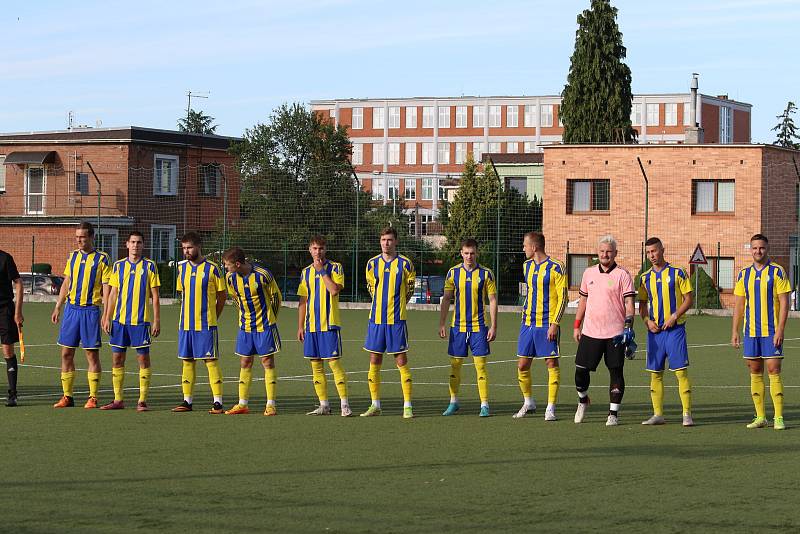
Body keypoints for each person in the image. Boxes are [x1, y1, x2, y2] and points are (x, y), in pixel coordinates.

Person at [573, 235, 636, 426]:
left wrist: (628, 327)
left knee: (616, 372)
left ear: (615, 253)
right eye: (602, 251)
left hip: (615, 333)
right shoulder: (588, 273)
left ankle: (613, 414)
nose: (605, 254)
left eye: (609, 251)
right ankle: (583, 400)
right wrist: (577, 325)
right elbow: (583, 301)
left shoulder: (623, 275)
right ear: (597, 253)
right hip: (591, 331)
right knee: (580, 372)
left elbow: (629, 303)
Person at [731, 234, 791, 430]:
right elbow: (739, 305)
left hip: (771, 331)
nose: (758, 251)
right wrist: (735, 331)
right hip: (750, 332)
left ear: (767, 249)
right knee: (755, 372)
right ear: (751, 250)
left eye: (762, 248)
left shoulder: (777, 272)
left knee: (774, 370)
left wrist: (780, 329)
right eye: (755, 248)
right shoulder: (743, 274)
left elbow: (784, 302)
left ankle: (779, 417)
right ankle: (760, 417)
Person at [51, 222, 111, 409]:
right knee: (66, 353)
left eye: (82, 237)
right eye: (77, 237)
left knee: (91, 355)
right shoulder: (73, 256)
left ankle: (93, 397)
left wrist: (106, 314)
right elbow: (67, 282)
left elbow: (108, 288)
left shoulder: (102, 259)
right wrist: (58, 306)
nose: (79, 240)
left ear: (91, 237)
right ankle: (67, 396)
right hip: (71, 310)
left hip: (90, 311)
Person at [100, 231, 161, 411]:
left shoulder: (150, 266)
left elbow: (155, 296)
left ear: (143, 245)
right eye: (133, 242)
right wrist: (107, 316)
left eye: (139, 242)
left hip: (141, 322)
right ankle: (118, 400)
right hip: (119, 322)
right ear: (127, 244)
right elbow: (112, 294)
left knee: (143, 360)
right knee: (117, 359)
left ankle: (142, 401)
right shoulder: (118, 266)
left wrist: (156, 320)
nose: (135, 245)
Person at [637, 237, 694, 427]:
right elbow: (642, 304)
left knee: (680, 372)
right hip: (655, 332)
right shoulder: (645, 278)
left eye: (654, 251)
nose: (651, 255)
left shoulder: (678, 273)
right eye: (648, 252)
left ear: (662, 250)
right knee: (655, 373)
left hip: (675, 330)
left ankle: (686, 414)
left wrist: (674, 316)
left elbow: (688, 299)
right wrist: (646, 321)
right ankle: (658, 414)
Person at [438, 238, 497, 417]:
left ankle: (484, 405)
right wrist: (442, 322)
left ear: (477, 253)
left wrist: (494, 325)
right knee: (455, 366)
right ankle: (453, 401)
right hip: (458, 327)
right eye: (466, 253)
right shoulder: (453, 273)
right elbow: (447, 298)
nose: (469, 256)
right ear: (461, 253)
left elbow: (492, 300)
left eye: (472, 253)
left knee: (480, 366)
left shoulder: (486, 274)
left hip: (479, 327)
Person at [361, 227, 416, 418]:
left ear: (396, 242)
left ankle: (407, 405)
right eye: (383, 239)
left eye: (390, 240)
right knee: (374, 360)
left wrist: (397, 306)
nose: (386, 243)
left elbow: (409, 291)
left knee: (401, 360)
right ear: (380, 241)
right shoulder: (371, 264)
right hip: (376, 320)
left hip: (397, 320)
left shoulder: (406, 264)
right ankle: (375, 404)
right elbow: (371, 289)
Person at [171, 232, 227, 414]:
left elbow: (222, 296)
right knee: (187, 361)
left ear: (198, 246)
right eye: (184, 248)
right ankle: (187, 401)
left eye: (189, 248)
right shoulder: (182, 269)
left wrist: (213, 317)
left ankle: (217, 402)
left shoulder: (213, 269)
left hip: (206, 324)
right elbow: (183, 293)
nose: (186, 251)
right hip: (185, 324)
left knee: (210, 361)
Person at [222, 247, 282, 416]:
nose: (226, 268)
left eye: (227, 265)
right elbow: (235, 298)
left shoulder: (263, 274)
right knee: (245, 363)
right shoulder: (230, 278)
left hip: (265, 326)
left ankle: (271, 404)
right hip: (245, 327)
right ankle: (242, 404)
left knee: (267, 363)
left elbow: (276, 296)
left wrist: (271, 319)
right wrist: (243, 317)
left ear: (238, 264)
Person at [513, 232, 567, 421]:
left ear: (534, 247)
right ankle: (529, 402)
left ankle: (550, 407)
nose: (523, 249)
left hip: (547, 323)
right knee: (522, 365)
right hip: (528, 323)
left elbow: (563, 297)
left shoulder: (557, 267)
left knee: (551, 363)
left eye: (525, 245)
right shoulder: (526, 266)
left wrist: (555, 323)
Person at [297, 236, 351, 417]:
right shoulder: (305, 272)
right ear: (309, 250)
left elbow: (334, 290)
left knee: (334, 364)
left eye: (320, 248)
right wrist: (300, 326)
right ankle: (324, 405)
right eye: (314, 248)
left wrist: (321, 271)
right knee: (316, 366)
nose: (317, 252)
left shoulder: (335, 267)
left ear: (325, 249)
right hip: (311, 326)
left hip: (329, 325)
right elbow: (303, 301)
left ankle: (344, 405)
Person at [0, 249, 23, 407]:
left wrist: (18, 312)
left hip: (4, 309)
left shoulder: (5, 258)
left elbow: (19, 283)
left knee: (8, 351)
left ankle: (12, 395)